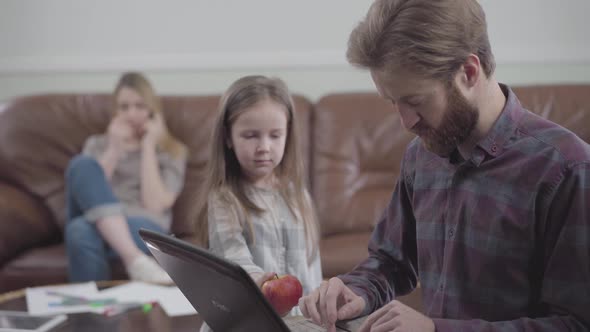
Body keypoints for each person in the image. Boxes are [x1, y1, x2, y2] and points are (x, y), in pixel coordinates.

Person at [299, 0, 590, 331]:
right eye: (392, 102)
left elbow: (577, 324)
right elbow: (391, 260)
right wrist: (355, 290)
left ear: (468, 72)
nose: (406, 121)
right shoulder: (420, 156)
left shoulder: (567, 169)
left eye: (415, 101)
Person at [196, 75, 322, 331]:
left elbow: (311, 268)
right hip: (246, 322)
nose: (264, 146)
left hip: (298, 324)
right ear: (228, 138)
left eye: (275, 135)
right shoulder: (224, 199)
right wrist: (257, 279)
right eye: (251, 136)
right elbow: (232, 257)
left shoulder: (298, 194)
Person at [64, 72, 187, 284]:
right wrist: (114, 149)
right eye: (124, 107)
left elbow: (155, 205)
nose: (131, 114)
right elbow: (86, 192)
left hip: (143, 224)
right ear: (115, 111)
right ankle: (135, 260)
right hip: (94, 217)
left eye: (140, 106)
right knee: (81, 165)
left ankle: (94, 314)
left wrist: (148, 147)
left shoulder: (172, 151)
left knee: (79, 231)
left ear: (152, 111)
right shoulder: (97, 145)